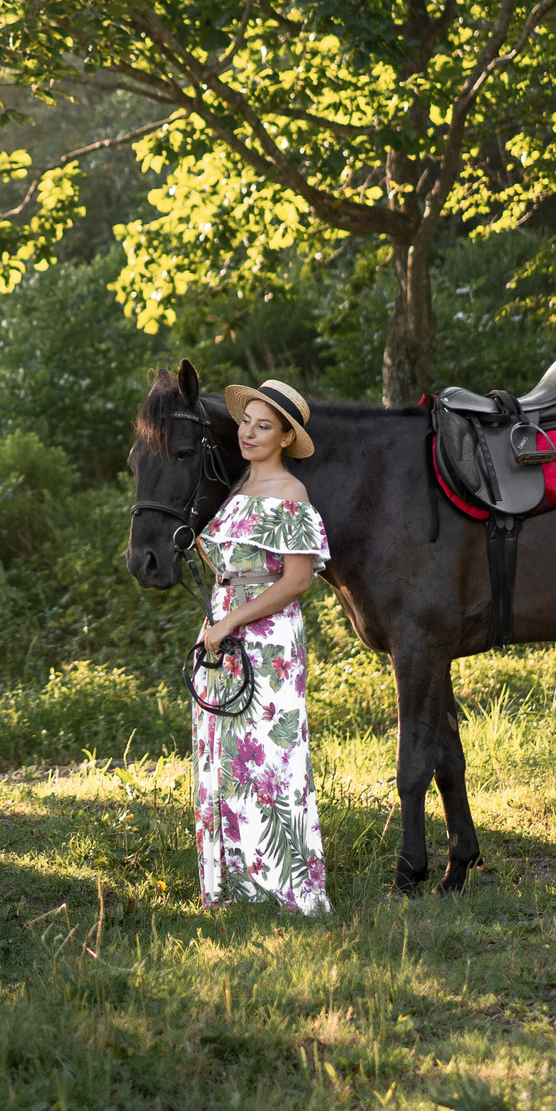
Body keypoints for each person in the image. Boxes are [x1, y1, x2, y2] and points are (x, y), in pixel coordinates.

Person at [190, 379, 332, 915]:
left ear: (285, 436)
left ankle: (286, 890)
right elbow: (229, 569)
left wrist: (231, 622)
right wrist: (217, 623)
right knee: (223, 756)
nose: (248, 433)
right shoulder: (238, 493)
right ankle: (230, 889)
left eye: (263, 426)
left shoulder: (290, 496)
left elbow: (296, 582)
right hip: (222, 636)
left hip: (267, 642)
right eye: (246, 422)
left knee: (269, 759)